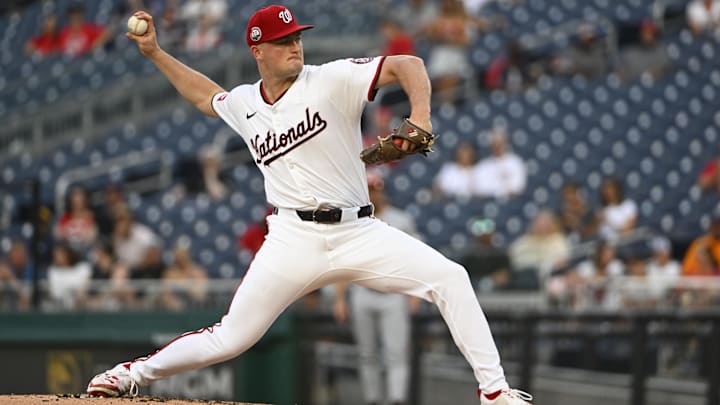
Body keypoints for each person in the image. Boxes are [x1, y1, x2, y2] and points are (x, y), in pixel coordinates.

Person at [87, 6, 533, 405]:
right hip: (292, 238)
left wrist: (421, 116)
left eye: (297, 37)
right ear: (257, 50)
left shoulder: (331, 79)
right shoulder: (245, 103)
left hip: (358, 231)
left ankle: (494, 393)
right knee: (231, 337)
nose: (294, 45)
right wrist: (156, 54)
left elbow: (409, 64)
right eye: (283, 41)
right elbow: (207, 96)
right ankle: (131, 375)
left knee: (451, 278)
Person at [332, 173, 421, 405]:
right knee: (367, 353)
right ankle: (372, 400)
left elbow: (414, 258)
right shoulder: (353, 220)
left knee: (396, 352)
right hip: (362, 292)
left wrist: (414, 293)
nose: (373, 193)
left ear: (383, 190)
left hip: (393, 293)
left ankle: (396, 399)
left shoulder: (400, 219)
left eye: (376, 188)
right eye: (369, 188)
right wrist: (340, 298)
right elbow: (345, 262)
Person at [473, 126, 527, 199]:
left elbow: (518, 186)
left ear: (505, 142)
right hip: (489, 201)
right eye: (494, 142)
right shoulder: (483, 165)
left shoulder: (515, 162)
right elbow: (480, 188)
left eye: (499, 142)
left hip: (511, 201)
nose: (497, 146)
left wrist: (497, 188)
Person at [46, 243, 92, 310]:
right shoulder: (52, 271)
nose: (56, 257)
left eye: (59, 255)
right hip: (59, 308)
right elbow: (54, 293)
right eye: (55, 255)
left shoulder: (82, 268)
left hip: (80, 308)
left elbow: (83, 290)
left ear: (67, 255)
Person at [55, 186, 98, 253]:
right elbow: (59, 234)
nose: (78, 201)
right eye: (75, 197)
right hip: (68, 253)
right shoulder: (65, 217)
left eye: (81, 197)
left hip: (86, 252)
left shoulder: (90, 216)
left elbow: (92, 236)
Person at [682, 211, 720, 276]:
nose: (717, 228)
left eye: (718, 225)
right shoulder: (700, 243)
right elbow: (687, 270)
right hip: (700, 281)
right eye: (715, 225)